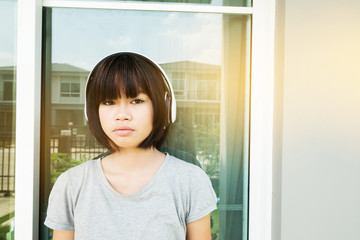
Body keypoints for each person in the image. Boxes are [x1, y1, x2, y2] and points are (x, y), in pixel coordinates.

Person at [44, 52, 217, 240]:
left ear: (163, 106)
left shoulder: (189, 180)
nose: (122, 115)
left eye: (136, 101)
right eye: (109, 102)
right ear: (93, 111)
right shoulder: (72, 184)